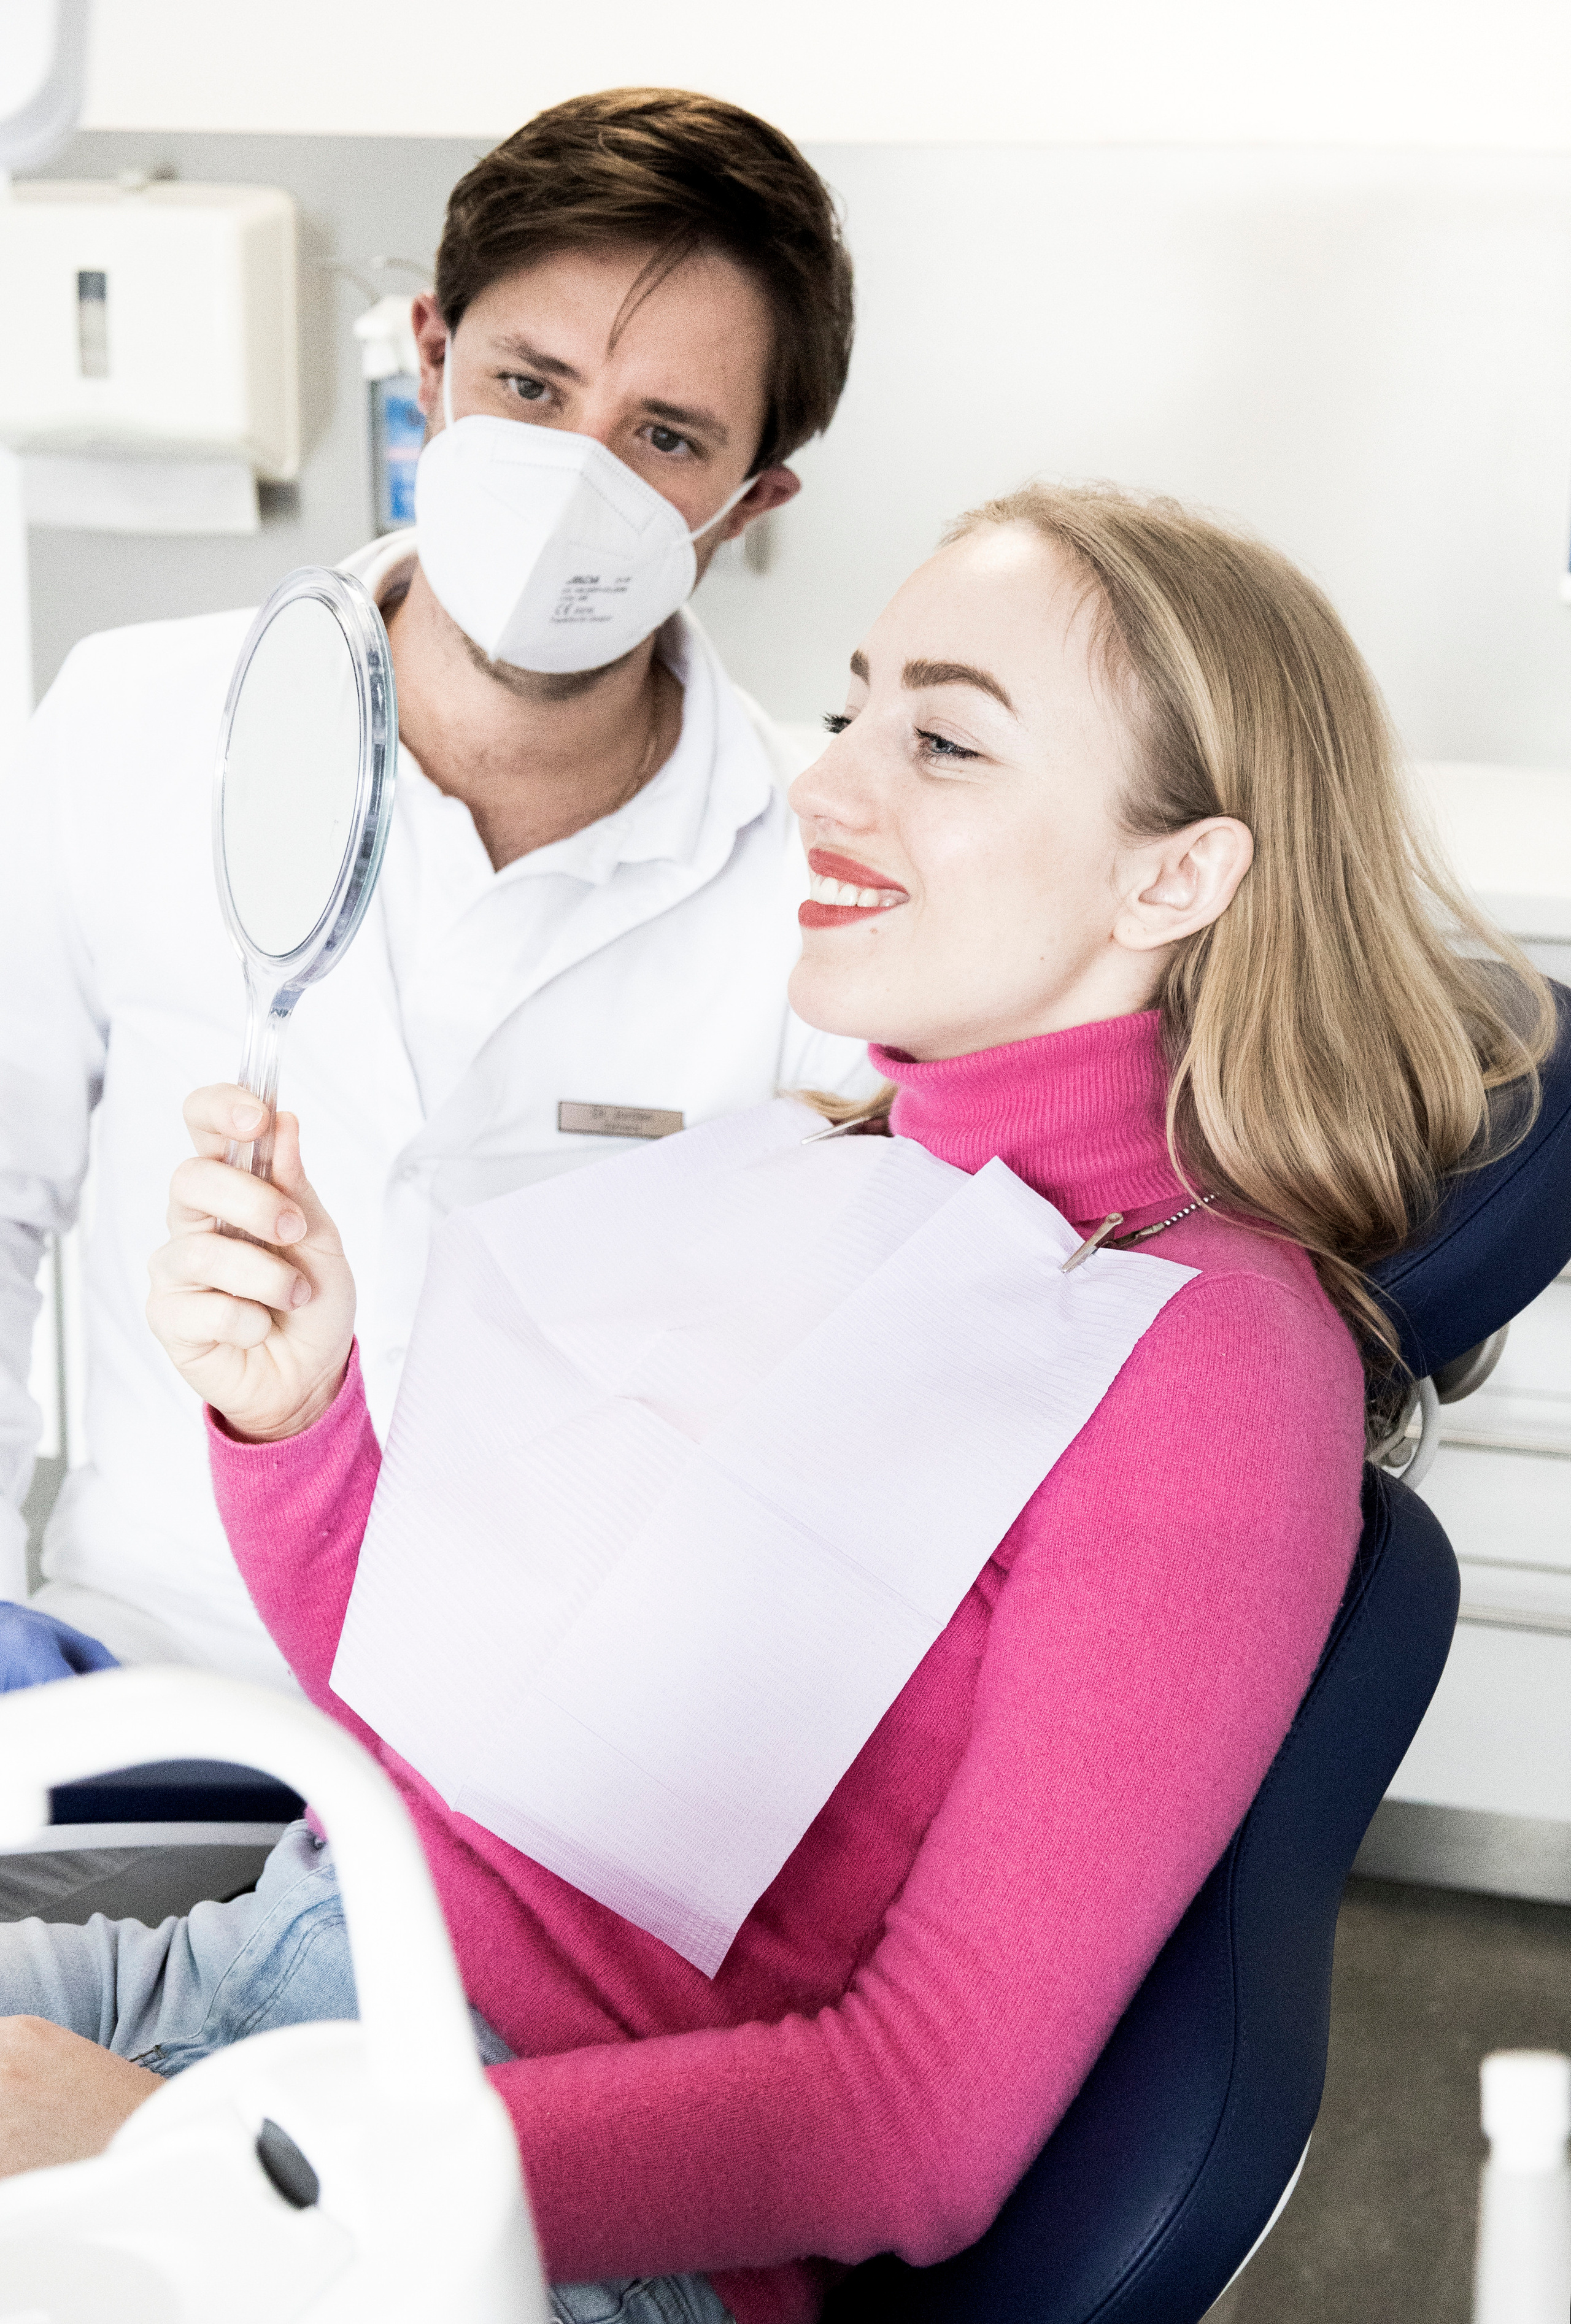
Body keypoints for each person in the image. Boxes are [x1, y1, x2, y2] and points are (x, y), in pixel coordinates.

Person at [0, 485, 1552, 2324]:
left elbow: (914, 2122)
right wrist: (299, 1413)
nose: (825, 788)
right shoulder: (835, 1168)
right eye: (853, 712)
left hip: (527, 2202)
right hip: (293, 1961)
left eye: (945, 739)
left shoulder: (1212, 1367)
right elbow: (433, 1724)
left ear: (1174, 875)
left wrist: (282, 2175)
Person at [0, 87, 870, 1704]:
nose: (570, 476)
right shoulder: (133, 724)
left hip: (542, 1758)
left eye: (665, 438)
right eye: (529, 387)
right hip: (142, 1681)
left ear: (753, 503)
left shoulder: (816, 878)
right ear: (428, 355)